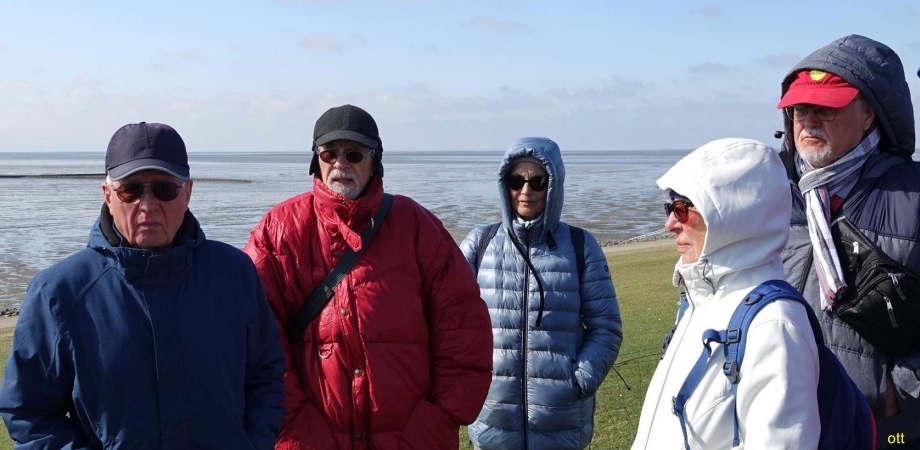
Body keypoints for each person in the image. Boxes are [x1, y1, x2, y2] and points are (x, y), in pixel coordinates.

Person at [0, 122, 285, 448]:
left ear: (187, 192)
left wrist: (254, 442)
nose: (148, 206)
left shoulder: (234, 274)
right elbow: (30, 413)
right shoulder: (59, 292)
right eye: (131, 190)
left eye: (164, 189)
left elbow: (265, 374)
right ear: (108, 195)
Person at [243, 104, 493, 450]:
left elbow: (462, 327)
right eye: (329, 153)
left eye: (354, 154)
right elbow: (255, 338)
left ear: (375, 161)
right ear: (316, 160)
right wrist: (297, 428)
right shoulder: (278, 230)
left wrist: (436, 419)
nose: (340, 164)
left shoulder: (417, 227)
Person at [775, 34, 920, 448]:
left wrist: (900, 389)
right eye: (799, 109)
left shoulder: (913, 194)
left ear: (869, 113)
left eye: (826, 108)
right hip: (785, 420)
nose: (808, 122)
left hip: (885, 425)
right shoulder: (771, 194)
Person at [632, 138, 821, 449]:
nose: (669, 224)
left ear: (734, 217)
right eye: (669, 208)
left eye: (682, 209)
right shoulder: (701, 299)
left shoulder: (774, 326)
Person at [458, 137, 622, 450]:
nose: (526, 191)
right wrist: (471, 379)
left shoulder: (581, 245)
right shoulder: (480, 243)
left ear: (554, 185)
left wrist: (579, 380)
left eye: (538, 181)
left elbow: (606, 328)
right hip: (493, 424)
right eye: (516, 181)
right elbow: (449, 322)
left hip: (561, 423)